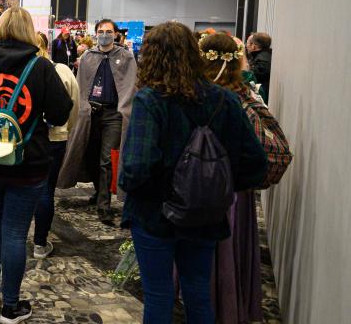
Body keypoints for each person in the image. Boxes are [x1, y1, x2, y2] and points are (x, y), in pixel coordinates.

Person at [118, 22, 268, 324]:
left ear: (153, 56)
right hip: (206, 215)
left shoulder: (151, 100)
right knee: (198, 293)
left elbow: (137, 167)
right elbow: (256, 163)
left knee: (159, 297)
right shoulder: (225, 99)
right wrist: (216, 185)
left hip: (154, 216)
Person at [0, 7, 72, 322]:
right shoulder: (41, 66)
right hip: (29, 162)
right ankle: (10, 306)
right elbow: (60, 115)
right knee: (15, 231)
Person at [198, 33, 274, 324]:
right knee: (229, 247)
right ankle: (227, 304)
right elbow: (256, 157)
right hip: (233, 191)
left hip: (195, 188)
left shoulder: (191, 94)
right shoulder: (242, 97)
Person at [58, 19, 137, 226]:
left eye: (108, 31)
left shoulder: (126, 57)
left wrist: (124, 110)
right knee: (90, 154)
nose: (104, 34)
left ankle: (104, 205)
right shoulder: (87, 57)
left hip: (113, 115)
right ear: (95, 34)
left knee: (106, 159)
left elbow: (129, 85)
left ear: (116, 34)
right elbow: (80, 85)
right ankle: (98, 191)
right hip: (90, 113)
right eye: (101, 31)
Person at [31, 32, 79, 260]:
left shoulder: (25, 70)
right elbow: (74, 105)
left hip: (27, 139)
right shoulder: (62, 71)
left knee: (22, 188)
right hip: (55, 139)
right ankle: (40, 242)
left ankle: (15, 236)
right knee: (46, 190)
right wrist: (65, 129)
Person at [245, 32, 272, 103]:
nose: (246, 46)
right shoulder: (264, 56)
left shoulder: (262, 60)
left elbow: (254, 78)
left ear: (254, 46)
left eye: (248, 43)